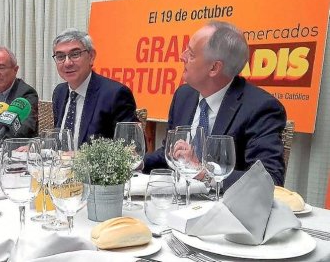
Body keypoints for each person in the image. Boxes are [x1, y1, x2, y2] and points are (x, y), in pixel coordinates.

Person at [144, 20, 286, 188]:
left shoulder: (261, 108)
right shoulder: (184, 96)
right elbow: (171, 155)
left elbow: (269, 180)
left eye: (191, 54)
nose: (182, 56)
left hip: (222, 210)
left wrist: (203, 172)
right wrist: (138, 162)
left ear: (214, 68)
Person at [51, 28, 138, 149]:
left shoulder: (115, 94)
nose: (67, 63)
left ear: (91, 56)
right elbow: (59, 139)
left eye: (75, 54)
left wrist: (80, 158)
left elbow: (131, 148)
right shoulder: (59, 92)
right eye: (60, 56)